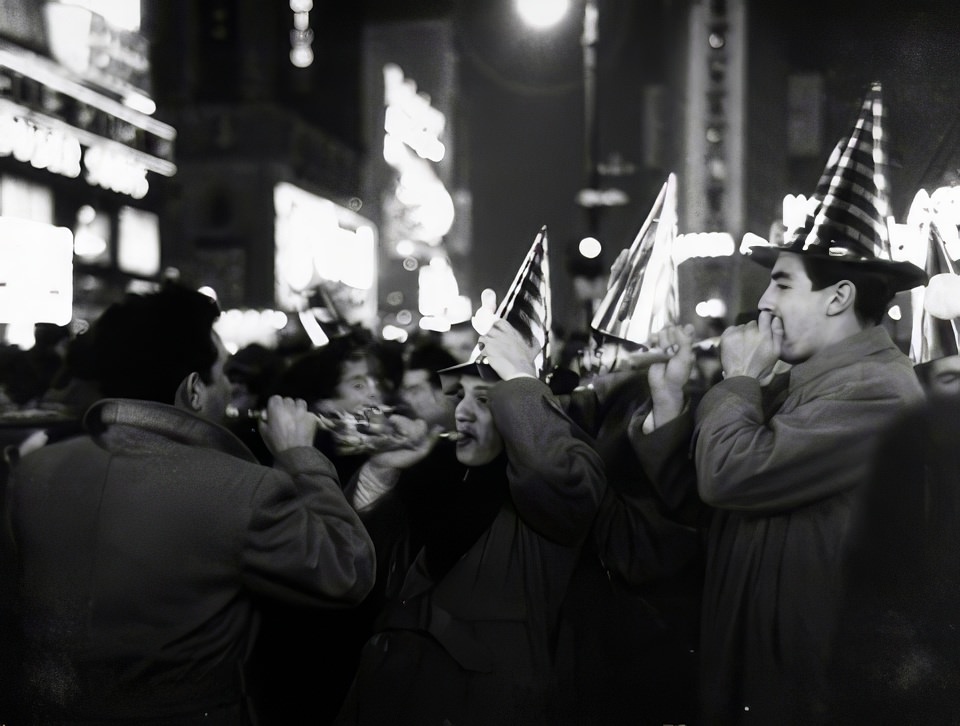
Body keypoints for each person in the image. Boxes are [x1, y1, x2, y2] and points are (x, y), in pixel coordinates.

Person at [0, 284, 376, 725]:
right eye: (225, 375)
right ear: (194, 389)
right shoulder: (242, 487)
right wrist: (300, 458)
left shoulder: (35, 470)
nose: (231, 391)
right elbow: (346, 571)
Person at [692, 243, 927, 724]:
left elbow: (727, 473)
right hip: (771, 671)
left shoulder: (875, 389)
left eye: (781, 284)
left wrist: (739, 379)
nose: (764, 303)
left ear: (838, 297)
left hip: (806, 689)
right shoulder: (809, 382)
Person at [334, 317, 606, 726]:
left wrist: (521, 379)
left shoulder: (564, 473)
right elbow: (356, 569)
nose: (459, 412)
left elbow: (549, 475)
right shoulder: (443, 475)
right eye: (460, 396)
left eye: (485, 400)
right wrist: (382, 472)